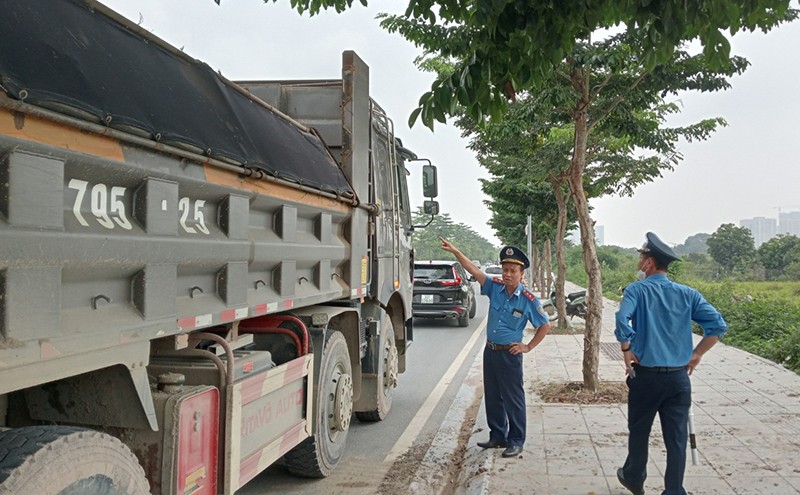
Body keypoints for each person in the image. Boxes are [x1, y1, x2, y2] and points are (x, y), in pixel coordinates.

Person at [615, 232, 728, 495]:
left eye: (641, 257)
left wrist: (626, 348)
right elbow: (718, 325)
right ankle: (674, 490)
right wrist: (697, 353)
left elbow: (622, 320)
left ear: (649, 262)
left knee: (639, 430)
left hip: (646, 377)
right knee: (677, 439)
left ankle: (634, 476)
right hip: (679, 379)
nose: (639, 262)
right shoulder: (688, 294)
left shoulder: (636, 290)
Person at [440, 238, 551, 458]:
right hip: (490, 352)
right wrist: (456, 251)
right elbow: (473, 268)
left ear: (521, 274)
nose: (507, 274)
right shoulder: (495, 288)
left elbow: (544, 324)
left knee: (513, 398)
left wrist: (527, 346)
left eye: (512, 271)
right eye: (505, 269)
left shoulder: (528, 300)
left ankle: (516, 440)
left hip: (510, 355)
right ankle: (498, 435)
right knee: (492, 396)